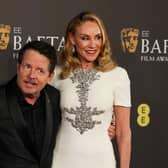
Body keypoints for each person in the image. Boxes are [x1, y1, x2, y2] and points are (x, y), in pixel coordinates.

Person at [51, 12, 131, 168]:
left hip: (102, 161)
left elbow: (124, 133)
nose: (93, 45)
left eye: (98, 37)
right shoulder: (56, 74)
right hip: (61, 160)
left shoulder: (118, 75)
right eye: (85, 38)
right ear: (72, 38)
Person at [0, 40, 61, 168]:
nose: (32, 75)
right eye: (27, 67)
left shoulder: (54, 97)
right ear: (18, 67)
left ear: (50, 76)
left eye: (40, 71)